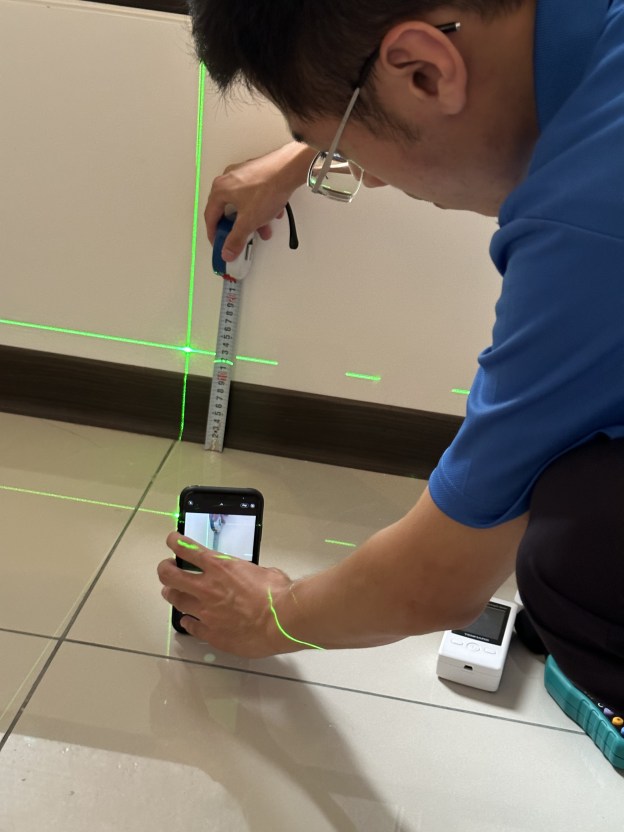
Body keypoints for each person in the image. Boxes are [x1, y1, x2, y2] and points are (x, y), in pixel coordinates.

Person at [158, 0, 624, 711]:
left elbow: (437, 579)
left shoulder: (589, 223)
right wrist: (304, 150)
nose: (368, 179)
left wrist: (272, 616)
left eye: (340, 150)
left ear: (425, 73)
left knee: (581, 549)